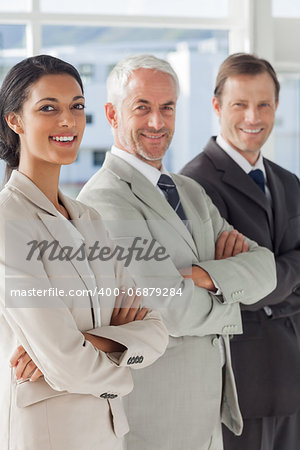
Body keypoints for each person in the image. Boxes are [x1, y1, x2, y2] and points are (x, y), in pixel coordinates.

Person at [77, 54, 277, 450]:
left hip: (206, 415)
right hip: (154, 417)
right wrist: (228, 288)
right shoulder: (104, 200)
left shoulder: (190, 192)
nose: (157, 122)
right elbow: (169, 307)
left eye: (167, 108)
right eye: (143, 108)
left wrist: (202, 276)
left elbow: (266, 267)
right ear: (112, 114)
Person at [0, 54, 169, 450]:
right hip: (46, 435)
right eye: (48, 108)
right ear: (15, 121)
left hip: (107, 434)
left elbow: (156, 330)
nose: (68, 121)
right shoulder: (7, 222)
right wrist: (122, 352)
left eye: (77, 107)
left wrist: (94, 342)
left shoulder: (88, 219)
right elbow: (64, 361)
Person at [181, 53, 300, 450]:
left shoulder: (288, 181)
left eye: (263, 104)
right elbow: (217, 287)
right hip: (238, 380)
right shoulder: (193, 186)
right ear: (216, 107)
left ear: (277, 106)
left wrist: (258, 275)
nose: (254, 116)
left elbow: (259, 281)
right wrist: (264, 278)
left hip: (291, 373)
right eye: (240, 104)